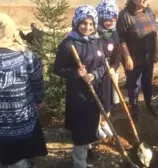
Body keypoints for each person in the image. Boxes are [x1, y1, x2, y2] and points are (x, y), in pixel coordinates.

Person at [0, 13, 47, 168]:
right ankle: (19, 164)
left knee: (3, 143)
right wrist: (39, 99)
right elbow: (37, 82)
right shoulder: (26, 55)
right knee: (16, 147)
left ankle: (13, 161)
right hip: (21, 115)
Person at [53, 5, 107, 168]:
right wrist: (76, 73)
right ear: (76, 22)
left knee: (91, 124)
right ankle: (79, 163)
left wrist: (93, 75)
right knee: (81, 128)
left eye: (91, 24)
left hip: (94, 91)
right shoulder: (68, 43)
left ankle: (87, 150)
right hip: (78, 95)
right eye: (84, 23)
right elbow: (58, 69)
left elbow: (103, 65)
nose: (87, 27)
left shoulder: (96, 41)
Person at [117, 0, 158, 121]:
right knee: (134, 83)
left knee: (147, 81)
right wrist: (127, 57)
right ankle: (134, 108)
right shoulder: (125, 16)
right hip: (133, 56)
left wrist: (156, 51)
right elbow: (121, 39)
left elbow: (154, 33)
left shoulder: (149, 12)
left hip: (148, 55)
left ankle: (149, 104)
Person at [96, 0, 121, 137]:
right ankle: (96, 127)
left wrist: (114, 67)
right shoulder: (94, 35)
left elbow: (118, 54)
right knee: (98, 102)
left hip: (110, 75)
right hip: (96, 76)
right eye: (107, 20)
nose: (110, 23)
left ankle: (105, 123)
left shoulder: (114, 33)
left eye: (113, 20)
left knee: (110, 102)